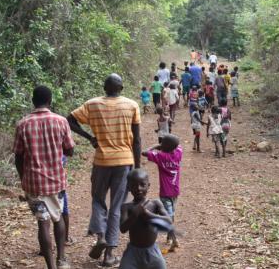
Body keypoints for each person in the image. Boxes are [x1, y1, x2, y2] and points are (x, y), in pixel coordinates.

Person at [67, 74, 141, 267]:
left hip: (101, 162)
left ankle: (100, 236)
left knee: (98, 201)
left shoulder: (92, 104)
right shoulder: (132, 105)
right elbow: (137, 139)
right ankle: (109, 255)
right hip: (124, 161)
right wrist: (138, 167)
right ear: (122, 88)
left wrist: (89, 136)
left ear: (104, 88)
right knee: (117, 207)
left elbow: (70, 120)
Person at [13, 85, 75, 269]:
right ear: (50, 101)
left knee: (43, 223)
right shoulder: (61, 121)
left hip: (33, 183)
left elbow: (18, 156)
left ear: (33, 101)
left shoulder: (22, 124)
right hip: (56, 181)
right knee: (58, 219)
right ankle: (62, 259)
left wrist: (23, 178)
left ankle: (51, 266)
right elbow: (70, 150)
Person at [118, 169, 171, 269]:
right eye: (134, 185)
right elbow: (123, 229)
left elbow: (168, 221)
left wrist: (149, 215)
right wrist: (135, 214)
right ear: (128, 187)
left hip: (152, 250)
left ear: (148, 185)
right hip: (133, 252)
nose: (138, 188)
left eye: (142, 184)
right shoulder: (126, 207)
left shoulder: (155, 204)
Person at [142, 134, 182, 251]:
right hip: (175, 191)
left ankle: (174, 240)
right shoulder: (179, 153)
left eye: (163, 143)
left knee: (167, 216)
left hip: (165, 193)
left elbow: (144, 152)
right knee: (171, 214)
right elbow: (178, 145)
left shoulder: (160, 156)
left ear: (164, 146)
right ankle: (170, 237)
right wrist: (164, 146)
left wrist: (157, 145)